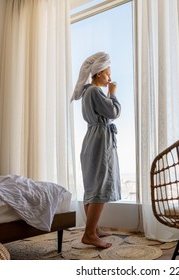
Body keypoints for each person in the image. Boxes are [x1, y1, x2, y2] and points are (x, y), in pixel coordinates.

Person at [71, 52, 121, 248]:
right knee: (99, 185)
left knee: (92, 185)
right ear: (99, 73)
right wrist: (113, 92)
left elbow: (107, 112)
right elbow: (113, 112)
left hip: (93, 139)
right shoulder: (94, 91)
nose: (110, 76)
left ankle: (93, 228)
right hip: (100, 141)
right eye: (108, 72)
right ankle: (90, 233)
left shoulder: (88, 92)